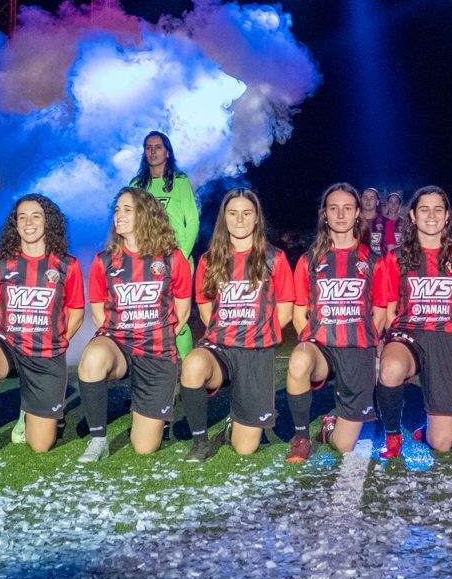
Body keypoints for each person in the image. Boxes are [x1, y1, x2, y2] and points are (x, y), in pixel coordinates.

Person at [0, 194, 84, 460]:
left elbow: (77, 311)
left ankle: (28, 412)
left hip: (45, 353)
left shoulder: (66, 264)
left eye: (36, 216)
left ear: (48, 222)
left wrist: (60, 341)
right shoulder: (0, 262)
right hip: (10, 345)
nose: (28, 222)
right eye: (22, 217)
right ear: (14, 225)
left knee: (40, 445)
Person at [178, 189, 297, 460]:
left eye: (246, 213)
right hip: (220, 347)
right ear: (224, 218)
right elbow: (206, 308)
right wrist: (227, 334)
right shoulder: (210, 260)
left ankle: (235, 423)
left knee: (245, 448)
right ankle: (200, 442)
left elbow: (286, 311)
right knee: (194, 364)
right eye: (233, 213)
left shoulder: (274, 258)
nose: (239, 219)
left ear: (257, 219)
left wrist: (254, 335)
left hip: (256, 349)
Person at [78, 188, 193, 461]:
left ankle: (154, 410)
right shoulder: (103, 261)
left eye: (127, 210)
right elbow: (98, 316)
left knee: (144, 447)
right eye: (117, 210)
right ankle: (98, 440)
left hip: (156, 351)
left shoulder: (172, 259)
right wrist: (120, 337)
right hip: (119, 345)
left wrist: (156, 337)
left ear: (146, 215)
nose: (119, 215)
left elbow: (183, 311)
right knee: (93, 356)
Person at [373, 185, 452, 459]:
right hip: (408, 334)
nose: (431, 215)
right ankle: (393, 434)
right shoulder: (396, 257)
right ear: (413, 217)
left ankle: (427, 427)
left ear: (446, 217)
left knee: (441, 443)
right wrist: (386, 344)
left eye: (437, 209)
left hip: (446, 337)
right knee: (391, 368)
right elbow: (389, 309)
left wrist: (448, 344)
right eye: (424, 209)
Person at [286, 183, 381, 462]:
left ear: (357, 215)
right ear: (324, 215)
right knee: (299, 359)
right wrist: (310, 341)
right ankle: (302, 436)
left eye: (347, 208)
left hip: (356, 347)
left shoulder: (374, 261)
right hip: (322, 347)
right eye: (333, 208)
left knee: (342, 446)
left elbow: (381, 312)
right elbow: (298, 312)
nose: (340, 214)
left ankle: (330, 426)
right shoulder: (309, 260)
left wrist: (364, 348)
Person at [130, 131, 201, 353]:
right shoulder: (136, 183)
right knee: (150, 316)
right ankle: (156, 364)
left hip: (178, 258)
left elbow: (193, 221)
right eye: (148, 147)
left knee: (178, 317)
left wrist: (181, 255)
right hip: (147, 261)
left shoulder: (180, 181)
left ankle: (187, 369)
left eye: (158, 147)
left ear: (167, 152)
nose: (153, 151)